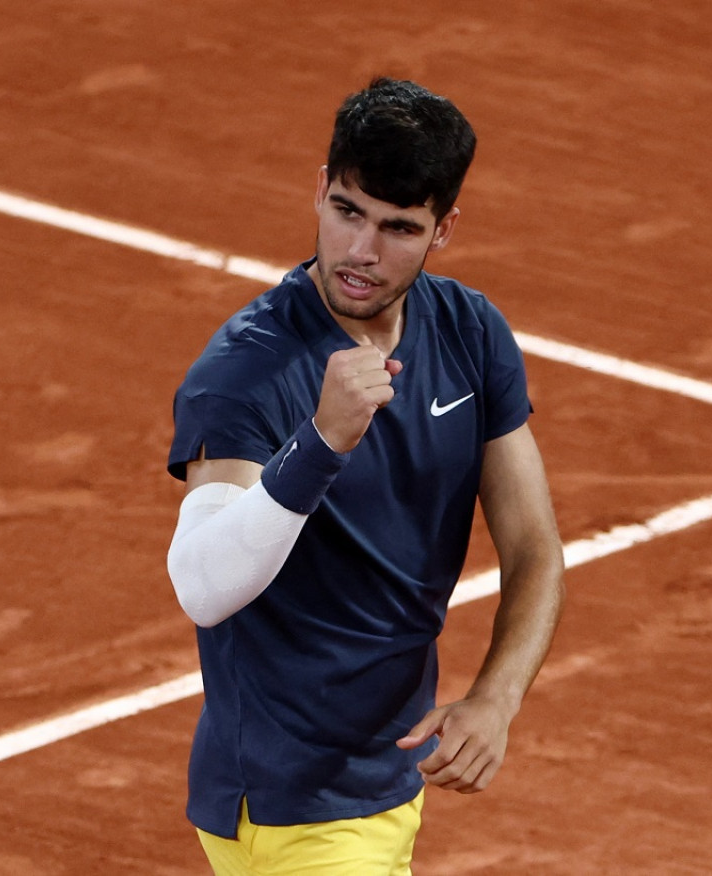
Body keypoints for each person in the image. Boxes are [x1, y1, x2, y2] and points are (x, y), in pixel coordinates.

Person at [165, 77, 565, 874]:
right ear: (320, 189)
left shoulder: (470, 331)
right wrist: (321, 441)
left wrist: (497, 696)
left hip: (383, 779)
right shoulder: (246, 374)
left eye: (398, 228)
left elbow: (532, 546)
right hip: (291, 807)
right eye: (346, 211)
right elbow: (201, 586)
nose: (361, 252)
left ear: (442, 229)